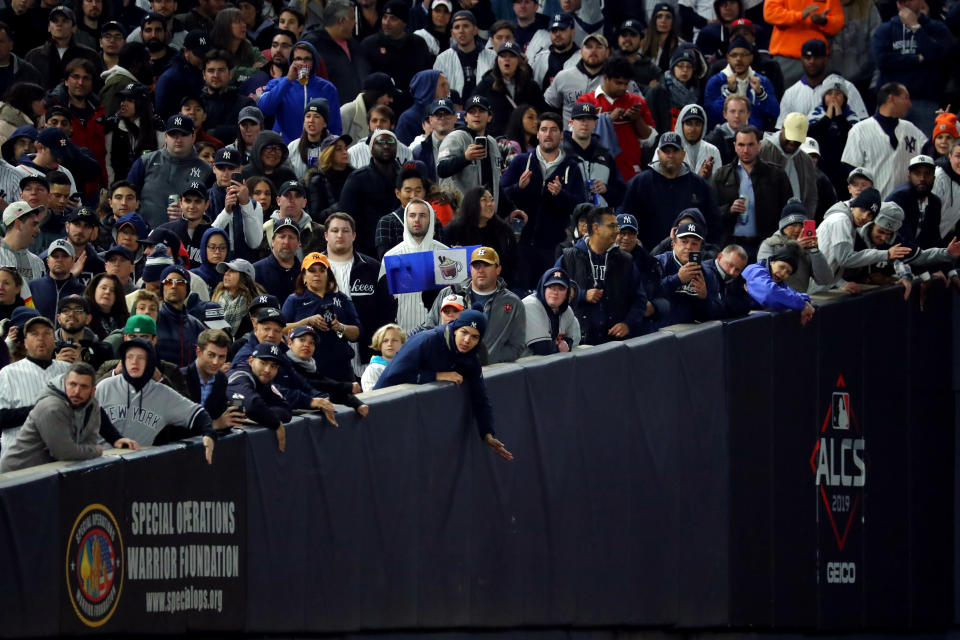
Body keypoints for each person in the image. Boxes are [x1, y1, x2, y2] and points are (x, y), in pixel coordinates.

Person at [374, 309, 514, 461]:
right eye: (464, 332)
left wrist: (487, 434)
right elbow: (395, 374)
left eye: (474, 337)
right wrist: (437, 375)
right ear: (455, 330)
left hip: (410, 418)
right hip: (380, 406)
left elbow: (480, 396)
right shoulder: (428, 340)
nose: (467, 340)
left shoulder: (471, 357)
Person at [0, 362, 139, 472]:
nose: (77, 391)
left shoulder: (92, 406)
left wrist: (114, 439)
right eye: (73, 385)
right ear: (65, 383)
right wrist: (96, 450)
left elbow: (88, 442)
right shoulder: (51, 407)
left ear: (93, 390)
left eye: (84, 387)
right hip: (16, 476)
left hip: (44, 475)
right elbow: (65, 452)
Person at [500, 111, 586, 288]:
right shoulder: (520, 161)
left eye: (554, 130)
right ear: (537, 134)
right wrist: (518, 188)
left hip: (553, 247)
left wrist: (560, 194)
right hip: (520, 244)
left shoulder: (572, 167)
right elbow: (499, 195)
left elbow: (580, 206)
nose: (548, 134)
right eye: (544, 129)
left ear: (561, 135)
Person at [96, 339, 216, 462]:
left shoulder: (163, 394)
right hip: (96, 462)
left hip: (135, 466)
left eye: (141, 358)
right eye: (129, 357)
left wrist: (209, 434)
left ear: (150, 361)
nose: (134, 362)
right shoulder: (104, 387)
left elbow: (198, 414)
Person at [557, 207, 653, 343]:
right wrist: (582, 295)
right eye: (612, 226)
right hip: (578, 342)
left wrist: (628, 324)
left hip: (614, 342)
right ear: (596, 228)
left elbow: (640, 299)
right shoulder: (569, 257)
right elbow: (551, 293)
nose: (617, 231)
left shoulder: (626, 260)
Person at [619, 132, 721, 251]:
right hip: (646, 255)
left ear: (683, 154)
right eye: (666, 151)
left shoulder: (699, 185)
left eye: (675, 151)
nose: (671, 155)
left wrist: (707, 252)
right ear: (658, 153)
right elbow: (624, 217)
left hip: (687, 257)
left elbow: (714, 224)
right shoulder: (640, 183)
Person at [422, 246, 525, 363]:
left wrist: (485, 360)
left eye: (486, 265)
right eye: (476, 266)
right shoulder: (448, 293)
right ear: (471, 269)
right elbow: (428, 330)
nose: (480, 270)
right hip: (448, 370)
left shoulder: (513, 303)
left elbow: (517, 346)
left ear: (498, 269)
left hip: (491, 373)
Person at [323, 212, 396, 366]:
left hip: (368, 354)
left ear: (354, 235)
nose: (340, 235)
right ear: (326, 235)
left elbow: (387, 312)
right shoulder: (312, 269)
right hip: (327, 355)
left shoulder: (374, 267)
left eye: (345, 231)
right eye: (335, 231)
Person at [872, 0, 952, 134]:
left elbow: (938, 56)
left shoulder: (936, 28)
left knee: (924, 151)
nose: (904, 3)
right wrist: (917, 58)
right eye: (900, 1)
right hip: (891, 101)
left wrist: (915, 27)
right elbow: (882, 61)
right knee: (883, 150)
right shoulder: (885, 30)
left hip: (925, 101)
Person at [280, 251, 361, 382]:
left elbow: (357, 333)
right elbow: (281, 328)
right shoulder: (294, 300)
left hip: (341, 368)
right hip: (308, 368)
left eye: (322, 270)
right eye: (312, 270)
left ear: (328, 275)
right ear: (304, 277)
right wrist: (307, 322)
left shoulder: (342, 298)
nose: (317, 274)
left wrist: (340, 327)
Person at [575, 56, 657, 182]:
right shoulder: (586, 102)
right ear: (606, 78)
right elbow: (576, 135)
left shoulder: (637, 101)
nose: (623, 88)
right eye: (618, 83)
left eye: (626, 83)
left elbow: (649, 140)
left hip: (629, 171)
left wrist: (637, 119)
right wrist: (607, 119)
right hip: (595, 172)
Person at [813, 187, 912, 291]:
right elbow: (845, 258)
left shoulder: (850, 220)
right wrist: (886, 254)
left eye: (870, 214)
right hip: (813, 287)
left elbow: (903, 255)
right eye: (863, 210)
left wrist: (905, 275)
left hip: (820, 285)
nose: (865, 217)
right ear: (854, 206)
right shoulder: (841, 220)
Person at [713, 125, 793, 253]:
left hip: (767, 245)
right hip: (731, 245)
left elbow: (788, 210)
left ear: (759, 145)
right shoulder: (721, 175)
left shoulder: (776, 175)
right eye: (741, 145)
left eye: (750, 144)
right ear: (734, 146)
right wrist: (729, 209)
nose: (745, 150)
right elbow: (711, 212)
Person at [0, 314, 72, 452]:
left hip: (61, 455)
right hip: (20, 457)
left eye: (46, 333)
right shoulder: (8, 373)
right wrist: (39, 410)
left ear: (54, 340)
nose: (41, 338)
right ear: (25, 342)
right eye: (34, 334)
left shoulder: (68, 370)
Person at [841, 82, 927, 198]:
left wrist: (943, 125)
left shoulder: (911, 129)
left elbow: (930, 151)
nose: (909, 104)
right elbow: (851, 170)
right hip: (872, 207)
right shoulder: (860, 130)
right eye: (905, 98)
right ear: (891, 98)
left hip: (905, 205)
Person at [126, 114, 213, 228]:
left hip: (187, 239)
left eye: (183, 134)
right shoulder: (145, 162)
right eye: (173, 134)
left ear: (193, 137)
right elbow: (127, 196)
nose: (178, 139)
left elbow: (212, 210)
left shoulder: (206, 170)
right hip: (145, 237)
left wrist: (190, 213)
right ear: (166, 136)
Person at [379, 198, 448, 332]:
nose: (417, 220)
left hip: (439, 333)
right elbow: (383, 301)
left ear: (431, 219)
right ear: (406, 219)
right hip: (403, 331)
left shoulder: (446, 254)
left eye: (422, 215)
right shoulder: (391, 256)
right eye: (412, 215)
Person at [257, 41, 342, 144]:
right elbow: (264, 108)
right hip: (284, 148)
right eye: (298, 59)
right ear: (291, 62)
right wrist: (288, 80)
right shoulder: (277, 83)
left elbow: (335, 126)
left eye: (307, 59)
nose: (302, 63)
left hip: (317, 149)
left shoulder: (327, 88)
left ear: (314, 62)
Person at [776, 39, 868, 128]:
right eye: (807, 58)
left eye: (817, 57)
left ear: (826, 59)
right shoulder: (790, 93)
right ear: (802, 59)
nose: (811, 61)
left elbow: (863, 123)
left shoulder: (846, 87)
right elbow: (781, 129)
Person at [360, 0, 434, 111]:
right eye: (385, 17)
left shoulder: (418, 44)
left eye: (393, 18)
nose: (386, 22)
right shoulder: (369, 44)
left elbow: (425, 76)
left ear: (404, 22)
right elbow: (364, 79)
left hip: (411, 105)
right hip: (379, 107)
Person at [437, 95, 503, 212]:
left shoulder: (492, 143)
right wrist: (465, 158)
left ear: (489, 117)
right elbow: (442, 169)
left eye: (481, 111)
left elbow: (496, 184)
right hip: (463, 215)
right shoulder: (456, 137)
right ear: (466, 117)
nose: (476, 115)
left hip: (488, 214)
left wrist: (511, 208)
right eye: (472, 112)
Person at [442, 186, 519, 283]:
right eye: (484, 200)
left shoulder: (503, 230)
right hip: (462, 287)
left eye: (492, 200)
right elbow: (442, 264)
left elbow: (514, 262)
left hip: (498, 287)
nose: (490, 204)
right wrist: (455, 255)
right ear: (472, 203)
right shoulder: (453, 230)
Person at [302, 0, 371, 107]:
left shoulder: (355, 46)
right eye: (352, 18)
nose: (355, 23)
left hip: (357, 111)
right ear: (341, 21)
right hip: (326, 111)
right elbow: (302, 80)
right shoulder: (312, 44)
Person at [703, 35, 780, 131]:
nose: (739, 59)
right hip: (724, 138)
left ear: (751, 57)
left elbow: (775, 112)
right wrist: (729, 91)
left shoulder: (762, 81)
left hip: (755, 136)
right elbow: (710, 115)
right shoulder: (717, 81)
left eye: (744, 55)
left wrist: (761, 93)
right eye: (734, 55)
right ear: (728, 58)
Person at [225, 341, 291, 450]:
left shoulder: (263, 382)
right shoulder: (239, 375)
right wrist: (275, 423)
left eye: (273, 366)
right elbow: (252, 404)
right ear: (251, 360)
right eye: (263, 363)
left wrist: (263, 414)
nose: (267, 370)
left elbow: (286, 409)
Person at [757, 200, 834, 292]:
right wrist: (795, 247)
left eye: (802, 225)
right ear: (783, 226)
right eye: (793, 225)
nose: (798, 229)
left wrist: (815, 252)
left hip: (799, 299)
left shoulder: (808, 247)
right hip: (774, 298)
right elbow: (763, 274)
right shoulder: (770, 244)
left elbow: (825, 280)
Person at [763, 0, 843, 87]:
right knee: (785, 97)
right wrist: (800, 15)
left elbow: (838, 22)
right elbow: (770, 13)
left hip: (819, 59)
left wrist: (824, 21)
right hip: (787, 59)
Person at [655, 220, 722, 324]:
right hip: (659, 332)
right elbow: (649, 296)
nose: (689, 247)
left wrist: (704, 298)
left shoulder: (708, 273)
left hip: (690, 334)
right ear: (674, 243)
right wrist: (677, 279)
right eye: (684, 241)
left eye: (694, 243)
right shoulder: (659, 263)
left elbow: (714, 316)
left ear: (700, 248)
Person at [562, 102, 625, 209]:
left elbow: (620, 194)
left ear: (595, 123)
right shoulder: (560, 154)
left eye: (589, 119)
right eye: (580, 118)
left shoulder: (606, 155)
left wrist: (606, 190)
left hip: (599, 220)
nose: (584, 123)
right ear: (571, 122)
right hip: (568, 220)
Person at [182, 328, 246, 432]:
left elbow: (220, 417)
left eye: (221, 357)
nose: (216, 362)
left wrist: (231, 417)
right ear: (199, 352)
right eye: (211, 355)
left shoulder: (221, 380)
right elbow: (177, 426)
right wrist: (214, 424)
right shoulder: (180, 377)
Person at [474, 41, 542, 139]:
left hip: (525, 140)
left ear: (519, 60)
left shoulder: (531, 87)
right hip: (496, 140)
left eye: (512, 56)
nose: (507, 59)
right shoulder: (486, 85)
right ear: (497, 60)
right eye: (503, 56)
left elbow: (541, 113)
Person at [760, 112, 819, 219]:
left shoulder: (806, 161)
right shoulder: (762, 150)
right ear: (782, 128)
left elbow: (811, 197)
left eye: (797, 140)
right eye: (790, 136)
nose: (792, 142)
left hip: (797, 224)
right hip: (766, 223)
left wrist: (807, 223)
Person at [543, 32, 611, 123]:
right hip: (570, 135)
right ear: (581, 51)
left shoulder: (616, 80)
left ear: (607, 52)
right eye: (589, 47)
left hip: (605, 135)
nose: (593, 51)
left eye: (599, 47)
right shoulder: (563, 77)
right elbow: (549, 107)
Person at [742, 244, 817, 324]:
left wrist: (805, 300)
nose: (783, 273)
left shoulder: (778, 283)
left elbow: (790, 293)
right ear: (772, 262)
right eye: (781, 267)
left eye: (788, 272)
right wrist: (802, 304)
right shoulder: (754, 270)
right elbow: (769, 293)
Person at [645, 46, 708, 135]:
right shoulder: (658, 92)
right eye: (680, 65)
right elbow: (651, 124)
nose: (685, 70)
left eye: (689, 66)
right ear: (673, 67)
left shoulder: (697, 93)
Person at [432, 10, 494, 101]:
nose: (461, 31)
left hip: (485, 111)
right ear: (452, 33)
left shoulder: (492, 57)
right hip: (453, 112)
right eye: (457, 27)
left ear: (475, 30)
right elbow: (438, 92)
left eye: (466, 26)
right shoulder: (442, 59)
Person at [520, 266, 580, 355]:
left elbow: (571, 340)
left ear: (566, 293)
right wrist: (559, 347)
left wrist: (565, 344)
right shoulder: (530, 305)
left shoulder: (567, 311)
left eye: (561, 289)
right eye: (551, 287)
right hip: (511, 364)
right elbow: (541, 348)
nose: (555, 292)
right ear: (543, 289)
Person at [887, 154, 942, 248]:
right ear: (909, 176)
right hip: (893, 254)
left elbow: (934, 236)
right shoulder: (899, 197)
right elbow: (900, 236)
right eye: (917, 173)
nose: (922, 178)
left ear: (933, 178)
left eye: (927, 173)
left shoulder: (935, 202)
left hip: (919, 255)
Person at [156, 264, 206, 366]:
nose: (173, 286)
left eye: (180, 282)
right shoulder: (153, 320)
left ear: (187, 289)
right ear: (162, 287)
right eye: (169, 282)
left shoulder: (196, 325)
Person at [262, 180, 324, 257]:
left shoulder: (320, 232)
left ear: (304, 202)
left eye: (297, 195)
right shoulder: (264, 230)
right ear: (278, 200)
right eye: (287, 195)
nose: (292, 199)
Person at [26, 238, 83, 321]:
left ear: (73, 260)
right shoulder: (31, 288)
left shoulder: (82, 291)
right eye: (55, 256)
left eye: (65, 256)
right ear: (48, 261)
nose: (59, 260)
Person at [338, 72, 397, 143]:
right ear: (376, 93)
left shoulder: (387, 114)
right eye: (389, 95)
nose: (391, 100)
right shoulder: (346, 112)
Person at [396, 70, 450, 145]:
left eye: (447, 85)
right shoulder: (408, 119)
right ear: (428, 88)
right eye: (442, 85)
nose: (447, 90)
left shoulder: (448, 113)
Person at [254, 218, 302, 302]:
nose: (286, 242)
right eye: (282, 237)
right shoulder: (256, 271)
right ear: (273, 241)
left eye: (291, 237)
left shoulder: (305, 272)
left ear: (298, 243)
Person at [211, 258, 262, 336]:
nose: (226, 274)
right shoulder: (215, 299)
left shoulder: (254, 307)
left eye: (232, 271)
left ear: (244, 277)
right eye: (226, 270)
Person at [673, 104, 721, 181]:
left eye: (697, 124)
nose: (693, 129)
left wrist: (709, 177)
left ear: (703, 127)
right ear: (681, 125)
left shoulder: (713, 151)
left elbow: (718, 185)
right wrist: (699, 179)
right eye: (688, 123)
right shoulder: (666, 150)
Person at [288, 99, 333, 179]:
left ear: (325, 123)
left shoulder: (333, 145)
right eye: (308, 116)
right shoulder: (293, 146)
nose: (311, 121)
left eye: (316, 117)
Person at [704, 244, 751, 318]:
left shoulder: (737, 278)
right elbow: (711, 311)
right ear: (719, 257)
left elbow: (746, 306)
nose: (732, 272)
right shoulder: (705, 272)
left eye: (737, 269)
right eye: (730, 265)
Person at [704, 93, 751, 165]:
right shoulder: (713, 140)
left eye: (741, 111)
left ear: (748, 114)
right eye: (732, 111)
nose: (737, 116)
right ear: (725, 114)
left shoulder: (755, 137)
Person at [360, 323, 406, 391]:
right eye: (385, 341)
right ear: (379, 344)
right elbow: (371, 396)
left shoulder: (407, 366)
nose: (390, 344)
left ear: (402, 344)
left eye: (394, 340)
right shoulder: (373, 370)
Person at [83, 273, 128, 339]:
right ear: (94, 290)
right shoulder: (83, 316)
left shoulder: (124, 319)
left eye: (112, 290)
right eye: (104, 288)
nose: (107, 292)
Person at [934, 138, 960, 241]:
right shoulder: (938, 178)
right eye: (958, 156)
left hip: (940, 238)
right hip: (918, 240)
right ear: (950, 156)